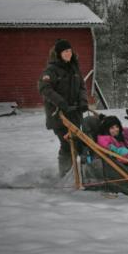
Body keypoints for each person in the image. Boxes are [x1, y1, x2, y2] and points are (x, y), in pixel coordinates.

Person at [38, 39, 89, 177]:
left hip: (74, 114)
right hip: (58, 115)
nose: (68, 54)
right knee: (67, 144)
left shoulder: (74, 68)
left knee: (79, 144)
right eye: (65, 51)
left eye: (70, 51)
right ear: (59, 54)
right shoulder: (51, 70)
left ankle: (79, 172)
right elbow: (45, 88)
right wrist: (61, 103)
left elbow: (82, 87)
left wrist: (83, 102)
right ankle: (65, 173)